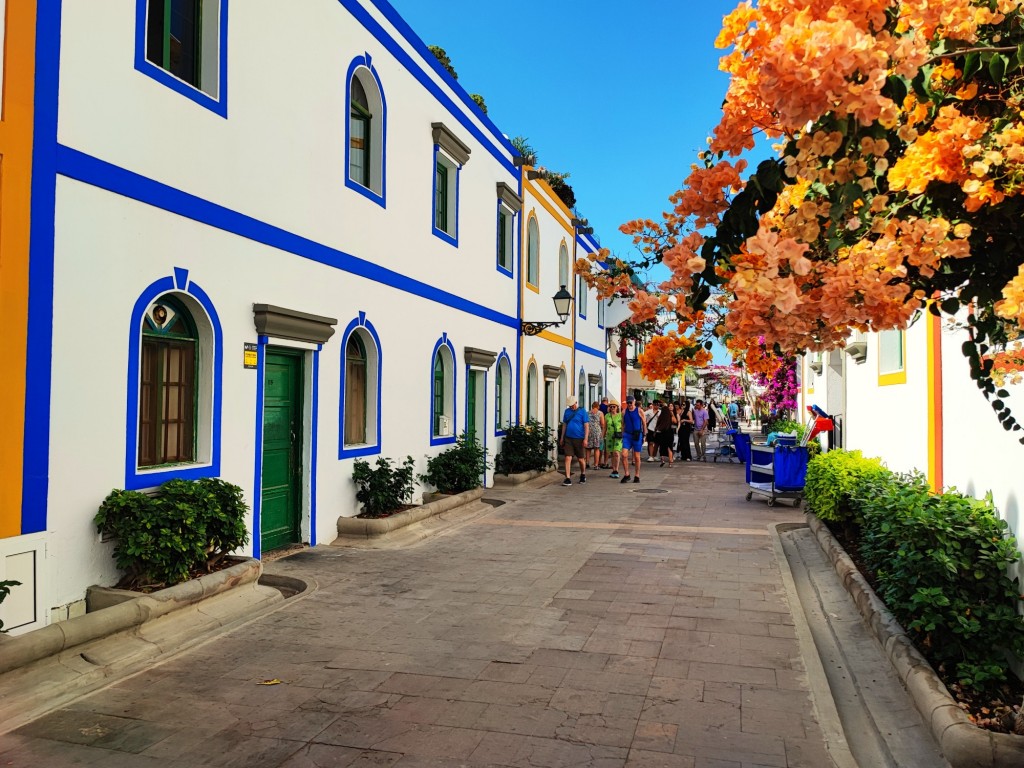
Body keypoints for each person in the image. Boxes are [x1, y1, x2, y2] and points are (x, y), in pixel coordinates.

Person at [558, 396, 589, 486]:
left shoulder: (582, 411)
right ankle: (567, 478)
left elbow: (586, 426)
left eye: (572, 405)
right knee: (568, 457)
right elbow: (564, 424)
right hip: (568, 438)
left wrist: (586, 438)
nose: (571, 407)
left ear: (576, 402)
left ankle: (583, 474)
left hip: (579, 438)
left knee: (580, 459)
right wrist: (562, 437)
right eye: (570, 405)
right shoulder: (567, 412)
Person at [620, 395, 645, 483]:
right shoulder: (624, 412)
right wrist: (622, 434)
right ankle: (627, 474)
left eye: (631, 402)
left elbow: (644, 423)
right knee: (624, 454)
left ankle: (637, 475)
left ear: (634, 402)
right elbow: (623, 424)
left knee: (637, 456)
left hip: (637, 434)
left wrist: (644, 435)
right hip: (627, 435)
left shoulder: (639, 411)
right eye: (628, 403)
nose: (629, 404)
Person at [603, 401, 623, 478]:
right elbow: (605, 427)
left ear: (617, 407)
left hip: (618, 436)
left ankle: (616, 470)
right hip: (609, 436)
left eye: (614, 407)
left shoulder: (620, 416)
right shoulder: (607, 416)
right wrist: (603, 436)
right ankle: (613, 469)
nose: (612, 408)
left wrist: (623, 433)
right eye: (610, 407)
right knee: (611, 453)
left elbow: (623, 425)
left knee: (616, 453)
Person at [654, 399, 675, 467]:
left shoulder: (661, 416)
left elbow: (657, 424)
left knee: (662, 447)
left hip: (662, 433)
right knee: (669, 447)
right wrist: (672, 414)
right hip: (669, 432)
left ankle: (662, 460)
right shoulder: (670, 416)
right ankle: (670, 462)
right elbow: (675, 421)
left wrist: (655, 431)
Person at [585, 401, 605, 471]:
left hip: (589, 431)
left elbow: (585, 422)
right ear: (598, 406)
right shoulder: (600, 413)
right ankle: (596, 465)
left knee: (588, 448)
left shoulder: (587, 413)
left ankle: (587, 463)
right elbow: (602, 424)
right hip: (597, 432)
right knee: (597, 448)